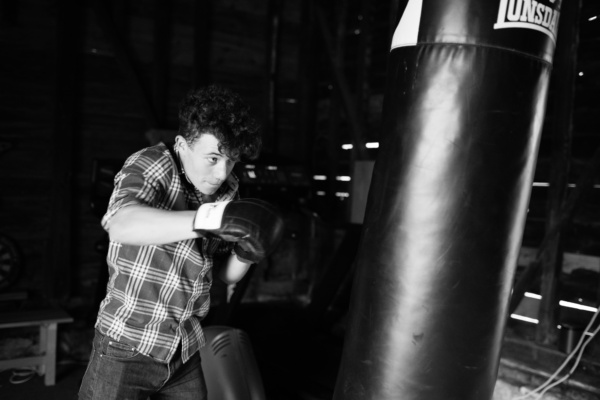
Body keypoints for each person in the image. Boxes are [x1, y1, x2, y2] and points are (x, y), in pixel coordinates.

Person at [79, 85, 283, 399]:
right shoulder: (153, 163)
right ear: (181, 145)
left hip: (184, 350)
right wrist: (209, 219)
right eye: (213, 157)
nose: (221, 172)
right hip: (127, 344)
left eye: (231, 161)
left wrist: (248, 251)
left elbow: (225, 275)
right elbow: (121, 224)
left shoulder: (228, 188)